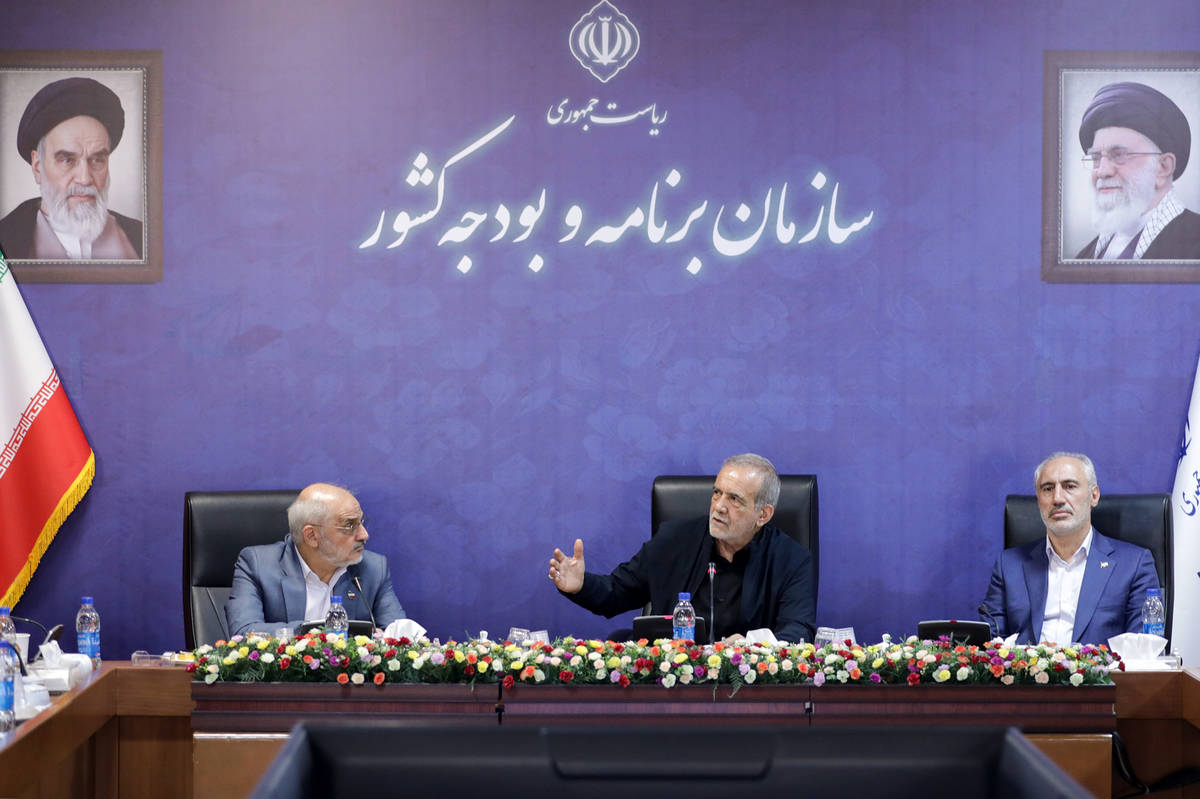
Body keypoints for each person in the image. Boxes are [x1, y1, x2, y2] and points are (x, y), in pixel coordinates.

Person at [548, 453, 815, 643]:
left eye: (734, 499)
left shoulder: (792, 560)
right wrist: (580, 585)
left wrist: (751, 644)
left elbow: (798, 631)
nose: (719, 506)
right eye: (717, 493)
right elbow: (616, 592)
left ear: (763, 515)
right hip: (674, 682)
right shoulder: (674, 540)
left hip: (747, 687)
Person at [980, 452, 1160, 645]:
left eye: (1070, 486)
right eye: (1048, 489)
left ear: (1094, 496)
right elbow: (990, 642)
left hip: (1101, 665)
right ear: (1038, 500)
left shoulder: (1134, 564)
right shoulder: (1009, 565)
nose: (1057, 498)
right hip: (1025, 665)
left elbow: (1143, 647)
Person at [225, 483, 406, 638]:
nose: (364, 535)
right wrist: (325, 633)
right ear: (312, 536)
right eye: (349, 525)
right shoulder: (258, 565)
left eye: (361, 522)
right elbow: (245, 632)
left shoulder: (373, 568)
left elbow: (400, 637)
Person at [0, 77, 143, 260]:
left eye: (97, 160)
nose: (85, 179)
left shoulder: (141, 238)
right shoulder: (6, 242)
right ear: (38, 167)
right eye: (67, 160)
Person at [1075, 81, 1200, 260]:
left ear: (1163, 167)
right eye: (1096, 158)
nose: (1102, 172)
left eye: (1118, 155)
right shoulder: (1083, 257)